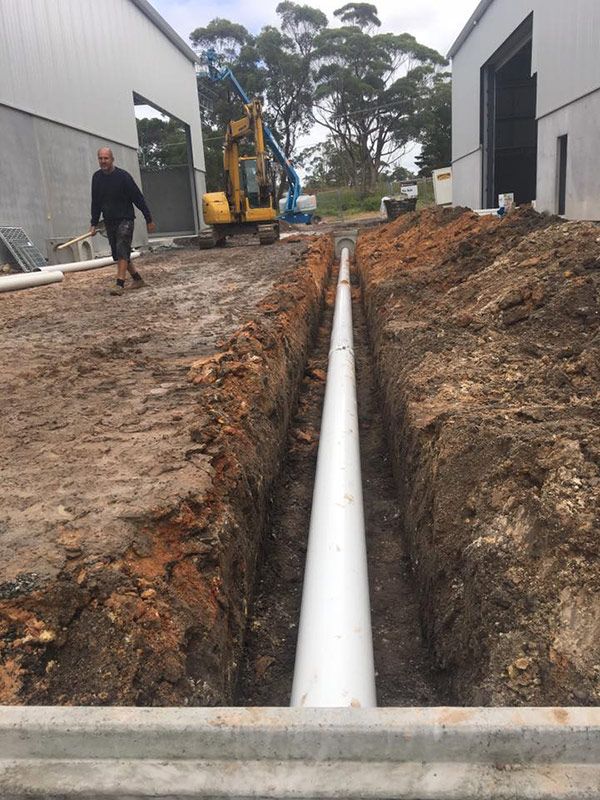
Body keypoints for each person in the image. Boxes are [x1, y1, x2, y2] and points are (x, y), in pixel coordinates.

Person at [90, 147, 156, 296]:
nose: (103, 161)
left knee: (121, 249)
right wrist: (93, 223)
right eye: (100, 158)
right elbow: (96, 202)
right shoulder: (97, 178)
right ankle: (137, 279)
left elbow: (138, 198)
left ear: (112, 159)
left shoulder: (123, 177)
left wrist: (148, 218)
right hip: (109, 221)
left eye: (106, 158)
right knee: (119, 253)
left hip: (125, 219)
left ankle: (119, 284)